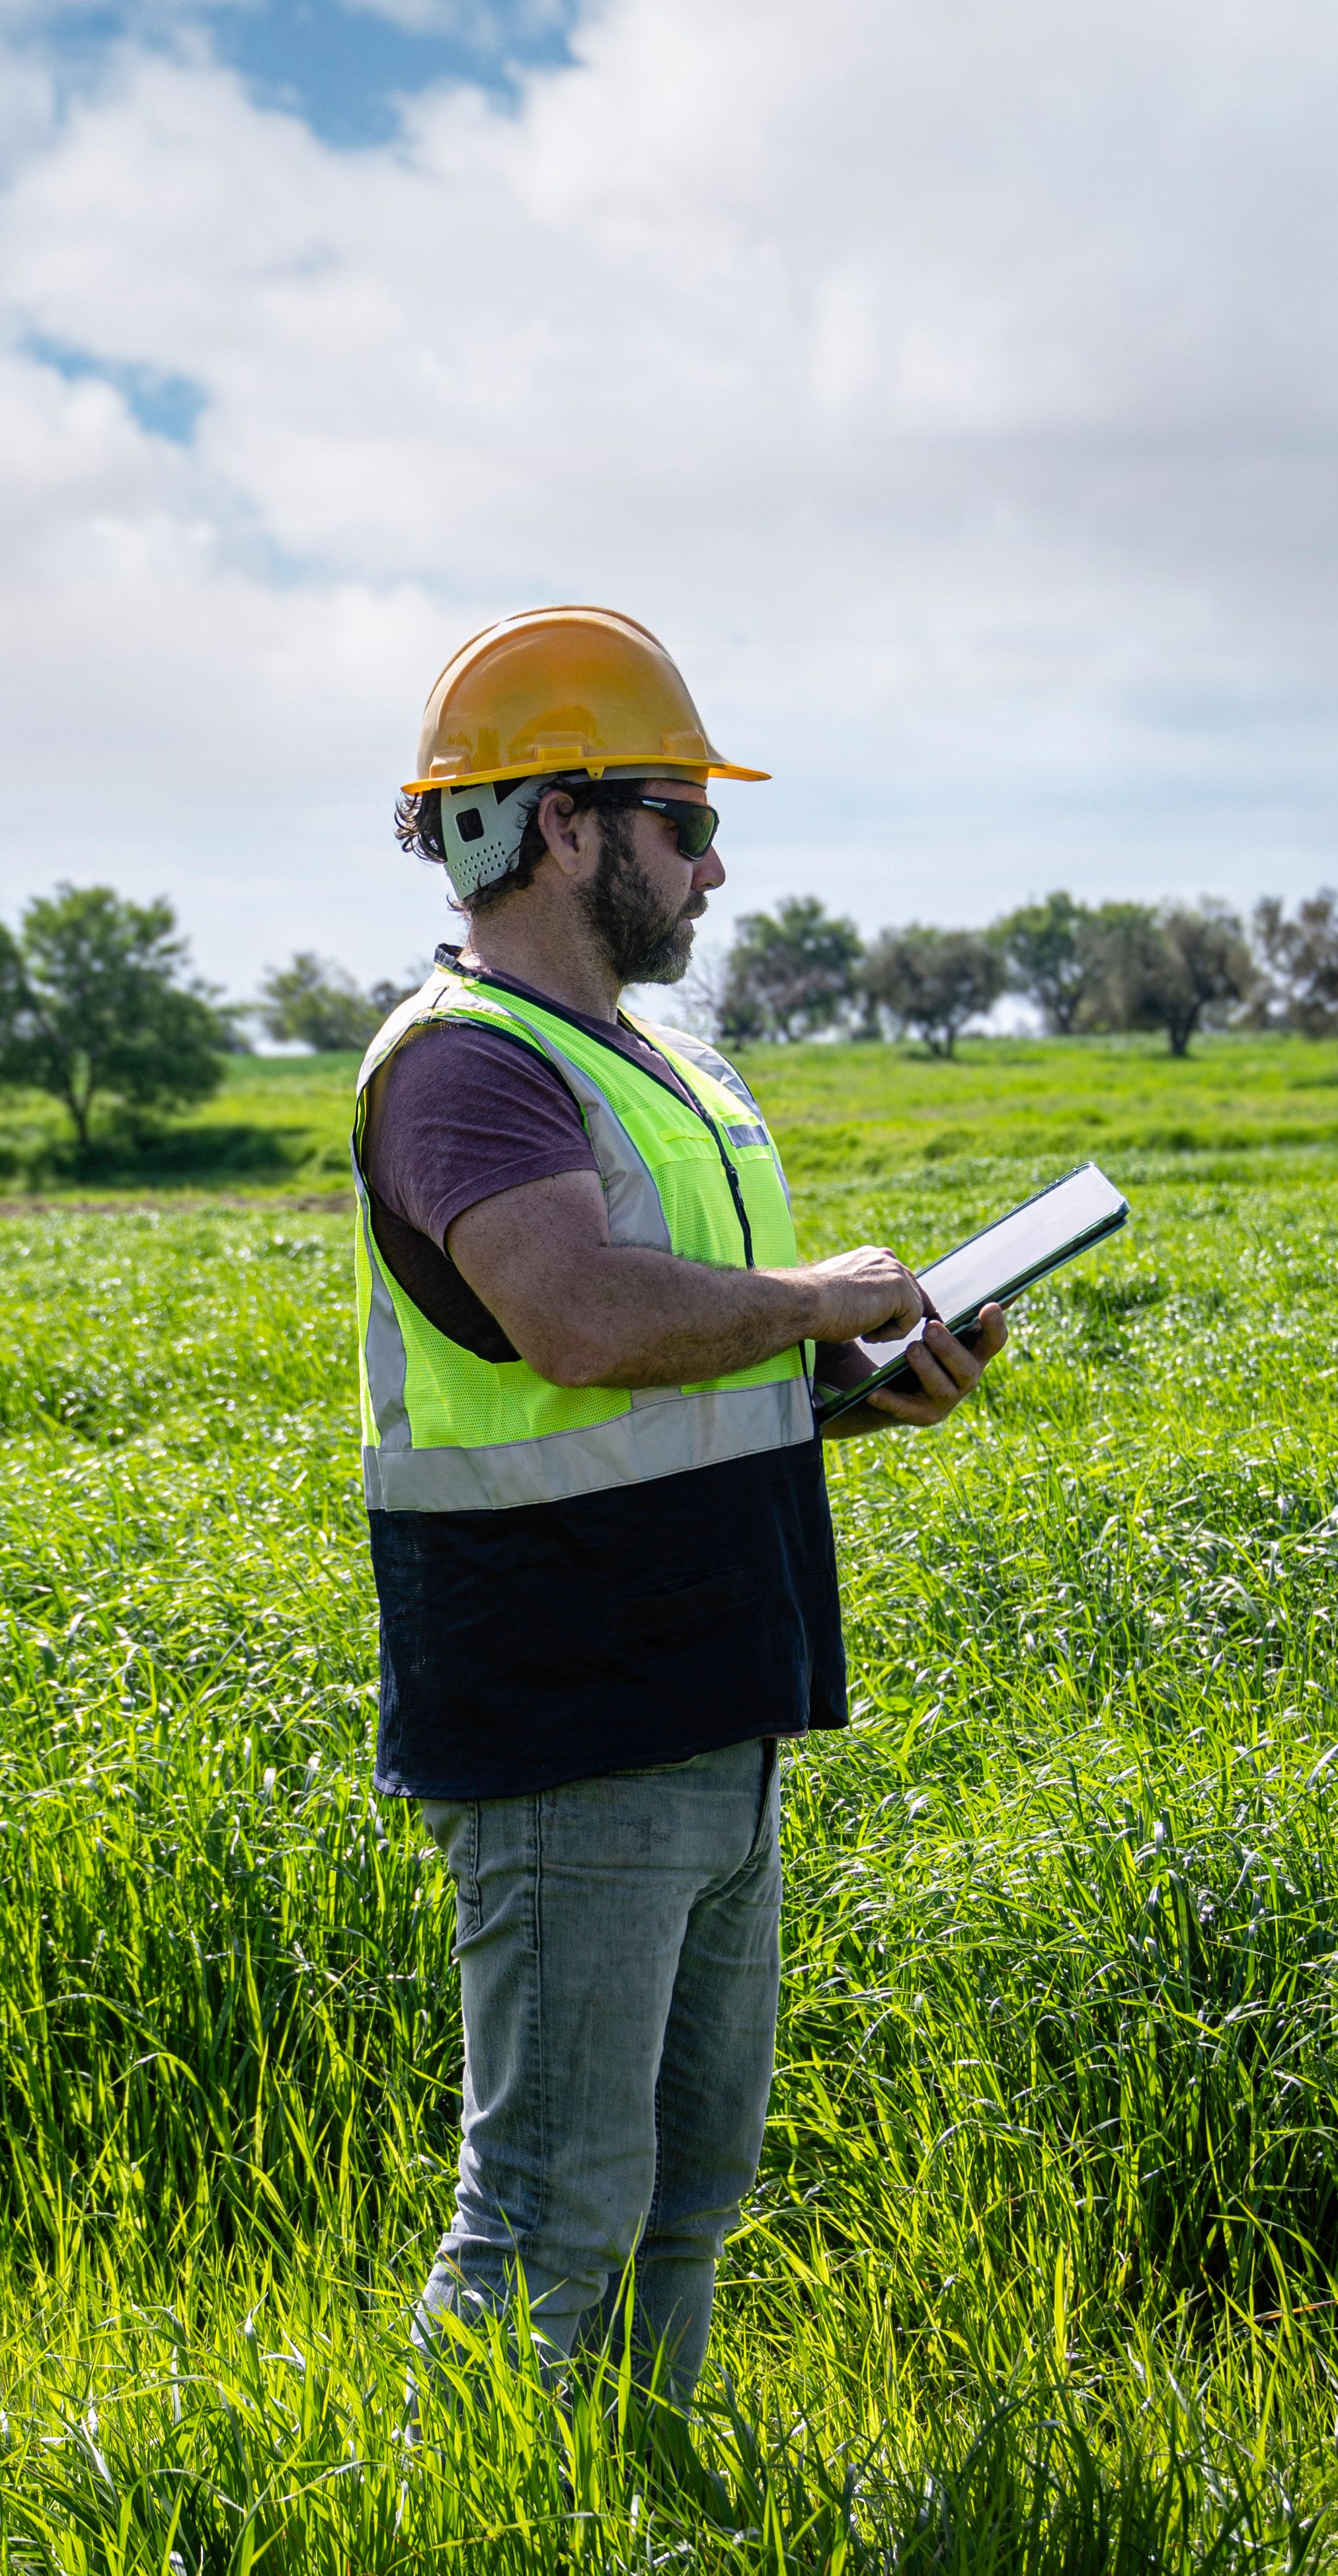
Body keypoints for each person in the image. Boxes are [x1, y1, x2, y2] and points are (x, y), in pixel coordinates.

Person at [356, 604, 1001, 2421]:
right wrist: (819, 1301)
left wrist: (861, 1387)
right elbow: (570, 1317)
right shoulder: (469, 1066)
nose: (713, 865)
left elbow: (671, 1371)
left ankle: (632, 2533)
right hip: (573, 1710)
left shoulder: (662, 1068)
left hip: (713, 1696)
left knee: (689, 2199)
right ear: (562, 825)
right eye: (678, 818)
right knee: (550, 2218)